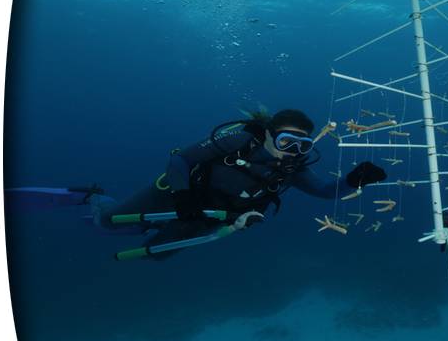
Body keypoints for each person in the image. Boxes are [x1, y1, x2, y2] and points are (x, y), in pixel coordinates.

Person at [91, 109, 387, 257]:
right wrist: (183, 197)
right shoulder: (239, 140)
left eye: (303, 145)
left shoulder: (291, 168)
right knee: (108, 222)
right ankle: (94, 197)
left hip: (213, 216)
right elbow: (179, 161)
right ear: (269, 134)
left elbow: (326, 192)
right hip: (176, 195)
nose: (293, 152)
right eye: (287, 141)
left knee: (157, 253)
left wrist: (353, 180)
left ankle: (148, 225)